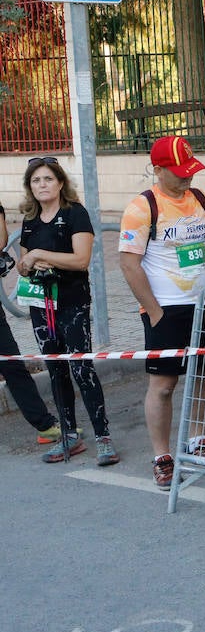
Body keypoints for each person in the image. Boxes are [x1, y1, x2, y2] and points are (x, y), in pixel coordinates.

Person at [119, 136, 205, 490]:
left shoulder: (200, 199)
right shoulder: (142, 206)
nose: (187, 178)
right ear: (158, 169)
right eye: (179, 173)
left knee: (204, 374)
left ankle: (199, 441)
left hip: (204, 304)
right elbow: (129, 264)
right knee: (164, 385)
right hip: (165, 308)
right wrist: (154, 312)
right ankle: (162, 456)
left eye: (190, 171)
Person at [17, 157, 114, 466]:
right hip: (40, 304)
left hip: (72, 302)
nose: (42, 185)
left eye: (47, 179)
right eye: (36, 181)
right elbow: (22, 266)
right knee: (55, 368)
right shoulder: (30, 219)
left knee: (80, 368)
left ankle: (103, 437)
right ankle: (68, 436)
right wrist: (28, 263)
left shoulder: (75, 214)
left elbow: (81, 259)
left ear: (60, 183)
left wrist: (42, 255)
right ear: (29, 187)